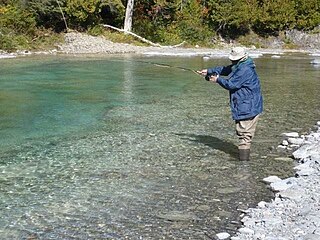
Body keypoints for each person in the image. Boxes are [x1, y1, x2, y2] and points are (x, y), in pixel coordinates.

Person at [197, 47, 263, 161]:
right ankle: (243, 161)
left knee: (244, 135)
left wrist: (217, 80)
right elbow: (226, 69)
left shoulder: (244, 69)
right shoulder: (241, 64)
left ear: (241, 58)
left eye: (234, 59)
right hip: (247, 103)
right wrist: (209, 71)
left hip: (248, 105)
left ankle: (243, 164)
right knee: (243, 133)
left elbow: (231, 84)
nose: (232, 61)